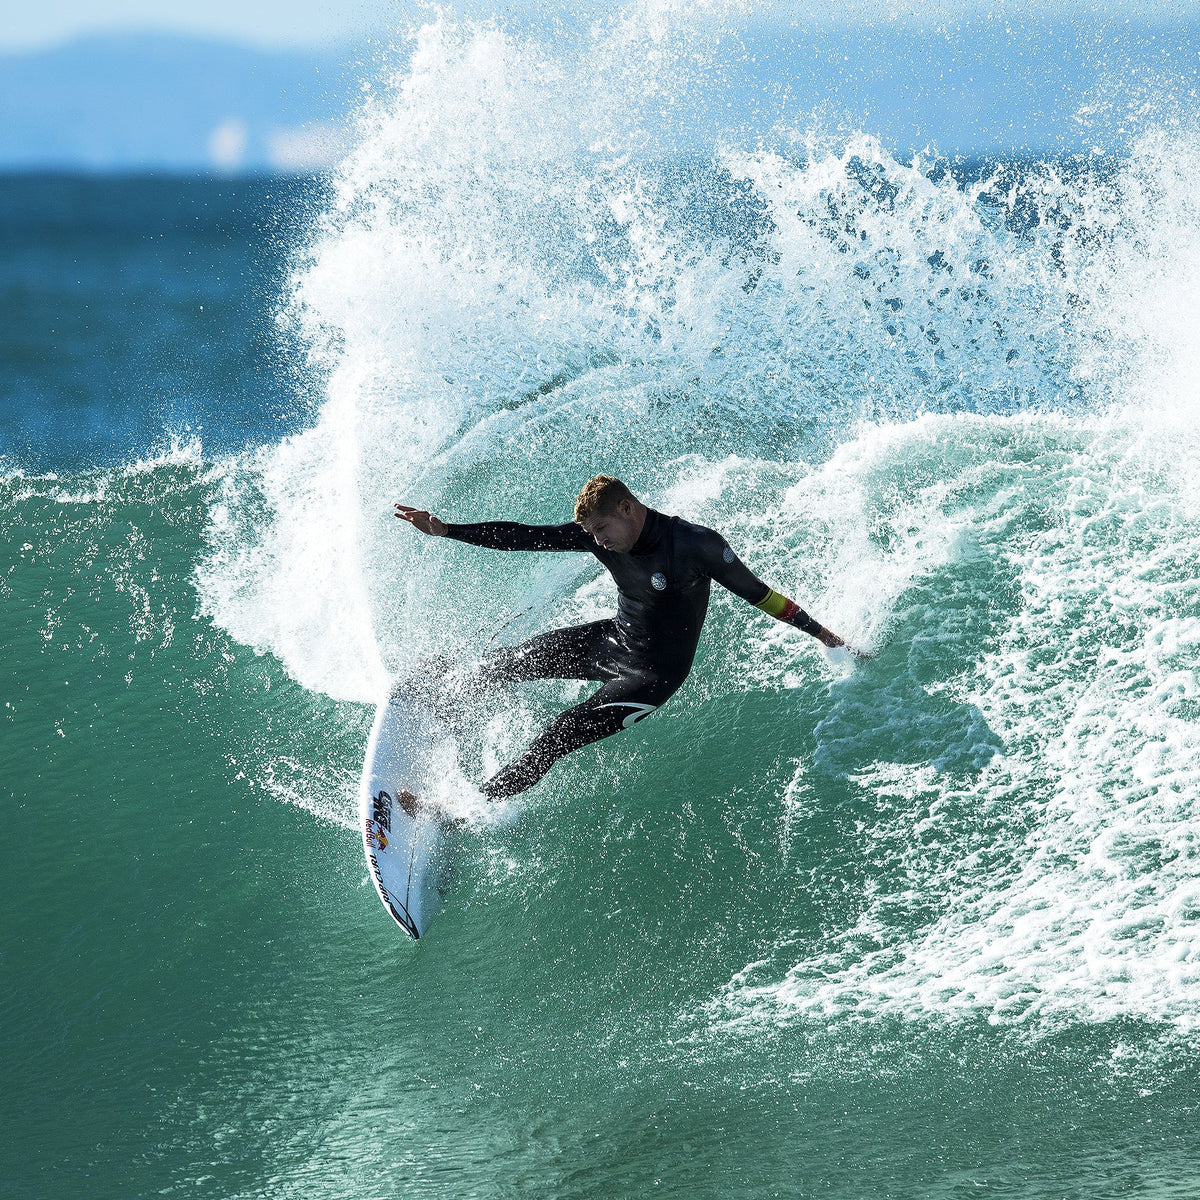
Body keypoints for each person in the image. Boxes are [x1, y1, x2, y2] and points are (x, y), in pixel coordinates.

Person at [394, 475, 864, 802]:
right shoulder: (600, 534)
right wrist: (448, 530)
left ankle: (461, 809)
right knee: (508, 663)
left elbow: (760, 595)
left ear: (627, 508)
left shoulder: (695, 545)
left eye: (600, 529)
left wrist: (824, 635)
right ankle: (444, 697)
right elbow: (525, 536)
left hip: (650, 675)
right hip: (614, 640)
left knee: (558, 735)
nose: (596, 541)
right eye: (589, 532)